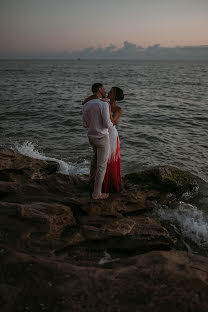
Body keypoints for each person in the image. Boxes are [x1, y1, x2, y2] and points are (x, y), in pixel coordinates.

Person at [82, 86, 124, 194]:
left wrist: (108, 109)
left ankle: (107, 185)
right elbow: (91, 99)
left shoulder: (118, 109)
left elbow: (113, 121)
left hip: (111, 134)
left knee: (108, 159)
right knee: (98, 159)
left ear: (115, 96)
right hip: (102, 132)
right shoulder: (104, 103)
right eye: (108, 91)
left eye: (111, 92)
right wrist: (88, 100)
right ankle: (95, 183)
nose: (108, 92)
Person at [82, 83, 113, 200]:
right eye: (104, 89)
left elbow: (85, 124)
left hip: (91, 137)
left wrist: (94, 125)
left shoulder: (86, 104)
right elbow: (107, 124)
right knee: (101, 166)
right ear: (99, 89)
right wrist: (113, 122)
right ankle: (96, 194)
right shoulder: (103, 104)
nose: (105, 91)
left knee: (95, 160)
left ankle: (91, 181)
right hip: (102, 138)